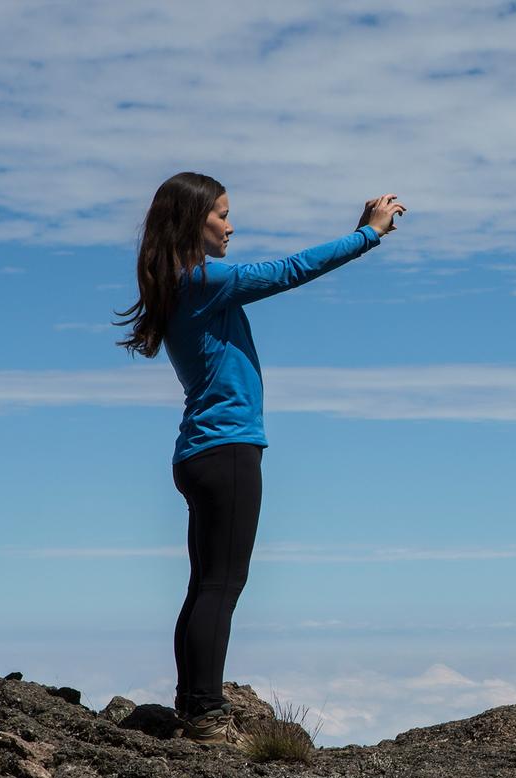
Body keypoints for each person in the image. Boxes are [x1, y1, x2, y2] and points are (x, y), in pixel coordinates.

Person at [115, 172, 405, 744]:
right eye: (221, 214)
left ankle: (193, 702)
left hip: (201, 451)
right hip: (226, 449)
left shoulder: (179, 285)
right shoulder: (202, 280)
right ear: (192, 221)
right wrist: (368, 235)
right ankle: (204, 712)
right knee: (221, 586)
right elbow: (287, 271)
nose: (230, 224)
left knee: (206, 584)